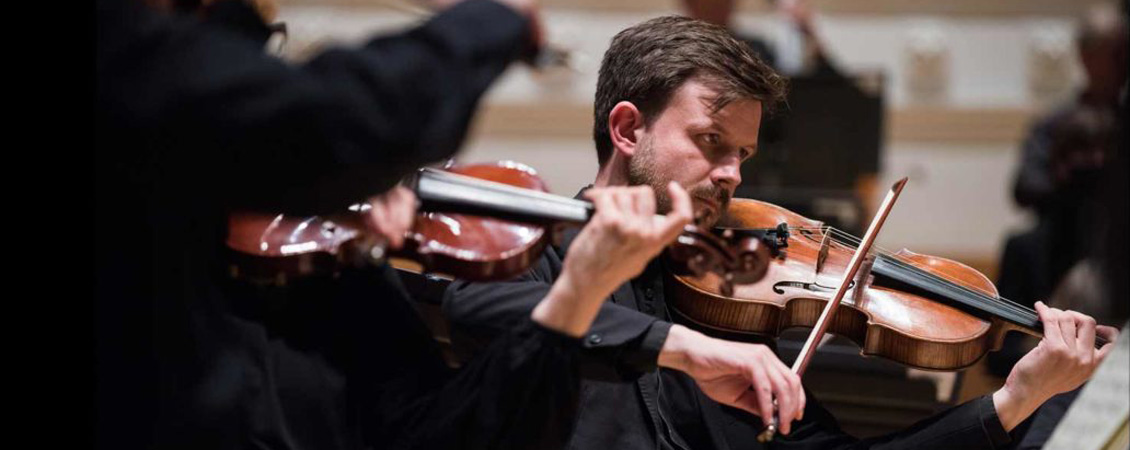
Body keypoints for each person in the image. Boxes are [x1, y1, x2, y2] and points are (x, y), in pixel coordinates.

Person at [443, 15, 1120, 450]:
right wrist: (682, 349)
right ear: (626, 129)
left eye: (743, 154)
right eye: (711, 142)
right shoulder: (527, 258)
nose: (732, 175)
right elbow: (470, 312)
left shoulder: (731, 295)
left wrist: (1015, 397)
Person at [95, 0, 694, 448]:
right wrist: (489, 24)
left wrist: (579, 295)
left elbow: (441, 434)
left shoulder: (321, 275)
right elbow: (338, 121)